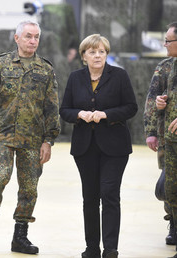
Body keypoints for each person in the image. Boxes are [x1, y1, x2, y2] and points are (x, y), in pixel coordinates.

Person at [0, 20, 60, 254]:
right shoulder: (0, 65)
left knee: (29, 188)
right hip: (2, 135)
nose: (32, 41)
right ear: (17, 38)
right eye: (28, 36)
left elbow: (52, 108)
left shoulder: (45, 69)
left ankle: (20, 236)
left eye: (36, 37)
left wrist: (48, 140)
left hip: (32, 139)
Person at [59, 34, 137, 258]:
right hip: (85, 148)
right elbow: (65, 110)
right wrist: (79, 114)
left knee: (110, 194)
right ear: (84, 56)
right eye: (92, 52)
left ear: (107, 54)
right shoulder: (75, 78)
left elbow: (131, 107)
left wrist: (106, 114)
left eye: (102, 51)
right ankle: (92, 248)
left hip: (115, 148)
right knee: (90, 198)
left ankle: (110, 249)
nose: (97, 55)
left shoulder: (119, 75)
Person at [144, 56, 175, 246]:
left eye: (168, 40)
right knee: (170, 181)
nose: (164, 44)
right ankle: (173, 222)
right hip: (168, 136)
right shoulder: (165, 67)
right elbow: (151, 98)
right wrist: (151, 131)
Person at [156, 21, 177, 258]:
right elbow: (158, 98)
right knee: (170, 191)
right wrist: (163, 103)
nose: (164, 44)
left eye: (168, 40)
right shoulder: (169, 66)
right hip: (171, 141)